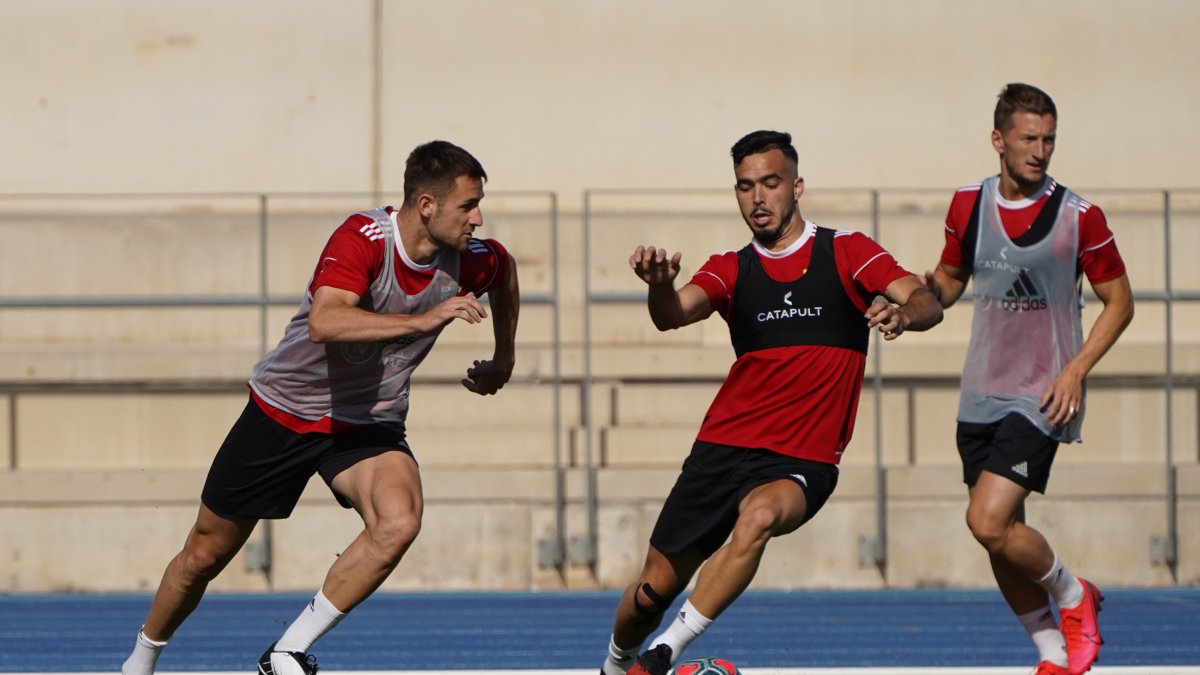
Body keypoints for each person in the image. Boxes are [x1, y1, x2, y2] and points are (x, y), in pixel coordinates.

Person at [120, 140, 519, 675]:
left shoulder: (472, 261)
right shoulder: (363, 240)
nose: (478, 217)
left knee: (398, 521)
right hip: (284, 411)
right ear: (426, 205)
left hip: (366, 422)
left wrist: (503, 360)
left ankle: (286, 650)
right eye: (468, 205)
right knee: (203, 556)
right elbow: (325, 322)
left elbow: (507, 273)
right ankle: (140, 661)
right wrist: (420, 321)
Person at [599, 130, 944, 675]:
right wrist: (659, 286)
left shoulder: (847, 251)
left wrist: (904, 313)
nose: (757, 197)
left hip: (802, 460)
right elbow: (671, 314)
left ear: (796, 186)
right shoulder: (732, 268)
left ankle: (665, 652)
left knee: (758, 517)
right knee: (648, 593)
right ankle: (617, 665)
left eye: (770, 183)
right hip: (721, 448)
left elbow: (925, 299)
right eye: (745, 187)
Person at [923, 84, 1134, 675]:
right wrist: (911, 303)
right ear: (998, 141)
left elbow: (1120, 302)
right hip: (980, 391)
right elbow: (947, 280)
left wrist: (1076, 370)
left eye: (1049, 139)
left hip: (1043, 393)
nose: (1040, 151)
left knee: (986, 520)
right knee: (997, 536)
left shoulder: (1079, 215)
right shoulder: (967, 205)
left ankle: (1074, 595)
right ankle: (1050, 655)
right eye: (1028, 139)